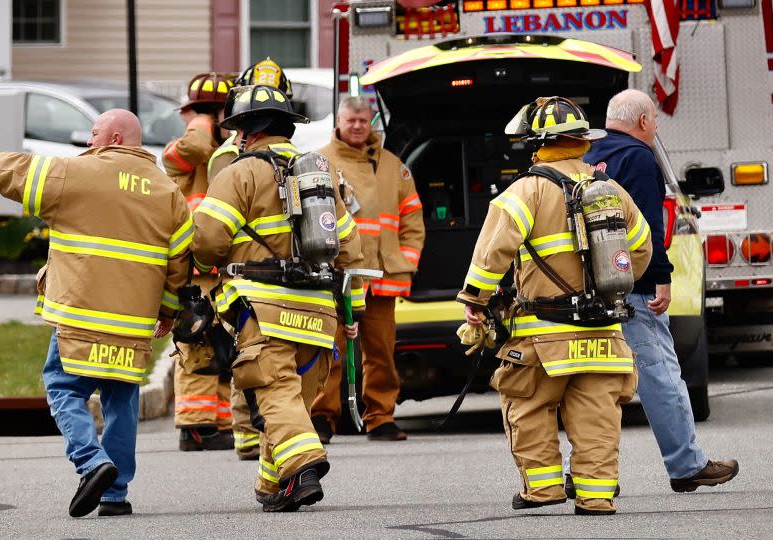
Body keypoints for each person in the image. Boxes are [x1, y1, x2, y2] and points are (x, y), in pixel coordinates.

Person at [0, 109, 191, 517]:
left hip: (81, 316)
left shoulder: (78, 174)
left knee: (63, 388)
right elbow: (180, 263)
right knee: (121, 402)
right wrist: (167, 311)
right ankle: (114, 495)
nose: (89, 141)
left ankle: (91, 463)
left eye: (95, 133)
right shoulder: (168, 192)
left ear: (114, 138)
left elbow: (21, 173)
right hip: (132, 326)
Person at [457, 97, 652, 515]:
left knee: (526, 404)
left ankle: (542, 489)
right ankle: (596, 495)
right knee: (598, 416)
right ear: (582, 141)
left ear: (536, 142)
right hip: (604, 333)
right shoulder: (610, 190)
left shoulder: (525, 191)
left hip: (544, 336)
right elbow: (641, 248)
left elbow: (493, 251)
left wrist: (476, 300)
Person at [191, 85, 367, 512]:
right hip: (320, 311)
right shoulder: (322, 177)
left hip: (262, 308)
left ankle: (305, 466)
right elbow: (349, 250)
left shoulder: (238, 172)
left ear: (248, 133)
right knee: (290, 404)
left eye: (237, 132)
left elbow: (209, 243)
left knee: (274, 394)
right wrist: (352, 311)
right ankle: (275, 486)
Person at [560, 88, 739, 494]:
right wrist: (661, 276)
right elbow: (644, 230)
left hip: (588, 291)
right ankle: (687, 465)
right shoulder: (639, 158)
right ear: (642, 121)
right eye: (655, 120)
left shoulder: (585, 156)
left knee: (593, 385)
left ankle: (584, 473)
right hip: (633, 289)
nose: (655, 126)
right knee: (660, 375)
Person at [310, 96, 425, 442]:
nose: (358, 126)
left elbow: (412, 218)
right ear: (339, 123)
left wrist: (406, 260)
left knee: (381, 353)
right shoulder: (320, 162)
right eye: (352, 121)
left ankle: (381, 417)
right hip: (338, 278)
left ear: (371, 121)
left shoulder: (393, 166)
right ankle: (321, 417)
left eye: (364, 120)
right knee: (330, 350)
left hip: (381, 277)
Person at [206, 59, 298, 461]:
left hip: (253, 288)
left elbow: (210, 234)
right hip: (311, 292)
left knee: (256, 365)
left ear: (247, 128)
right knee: (289, 380)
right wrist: (352, 307)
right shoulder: (315, 165)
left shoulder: (234, 164)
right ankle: (270, 459)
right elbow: (346, 240)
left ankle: (280, 452)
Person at [163, 72, 237, 452]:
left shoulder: (234, 153)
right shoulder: (183, 153)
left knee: (227, 346)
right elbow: (195, 147)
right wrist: (204, 120)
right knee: (196, 345)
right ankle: (195, 426)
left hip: (226, 268)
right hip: (196, 271)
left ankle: (220, 421)